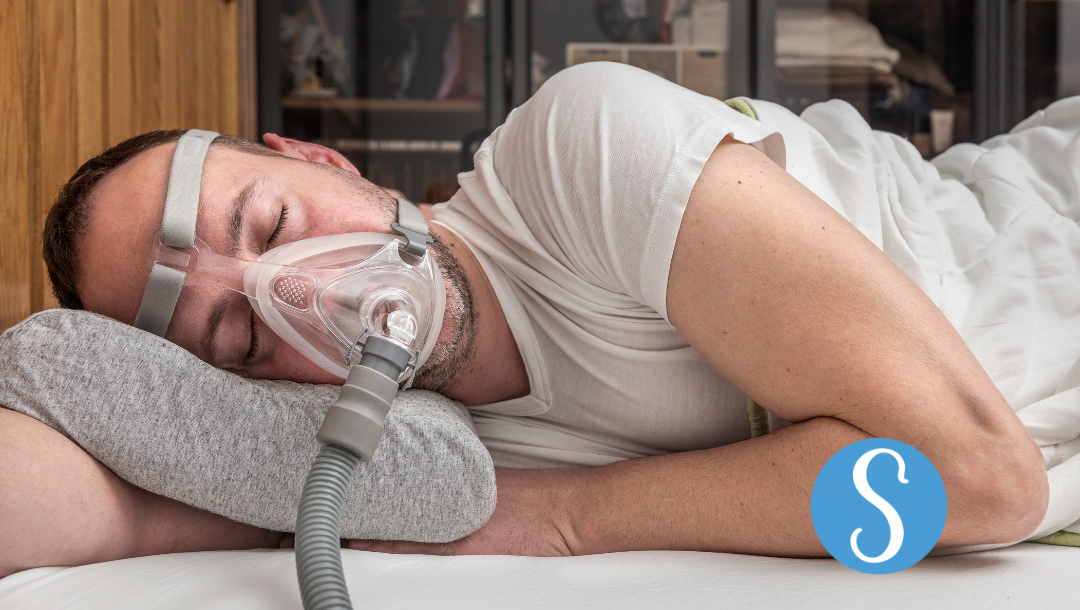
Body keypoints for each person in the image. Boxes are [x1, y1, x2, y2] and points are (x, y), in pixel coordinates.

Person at [2, 62, 1052, 574]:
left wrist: (563, 514)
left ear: (315, 159)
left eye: (273, 222)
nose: (304, 292)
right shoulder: (402, 458)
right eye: (237, 336)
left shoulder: (581, 150)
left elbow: (978, 481)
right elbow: (88, 500)